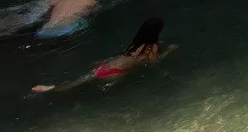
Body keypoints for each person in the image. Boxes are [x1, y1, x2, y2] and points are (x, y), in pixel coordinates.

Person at [33, 18, 171, 92]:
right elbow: (154, 62)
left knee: (81, 81)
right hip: (117, 72)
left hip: (107, 66)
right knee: (85, 87)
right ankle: (55, 89)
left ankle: (53, 88)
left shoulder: (135, 43)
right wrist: (168, 51)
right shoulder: (151, 47)